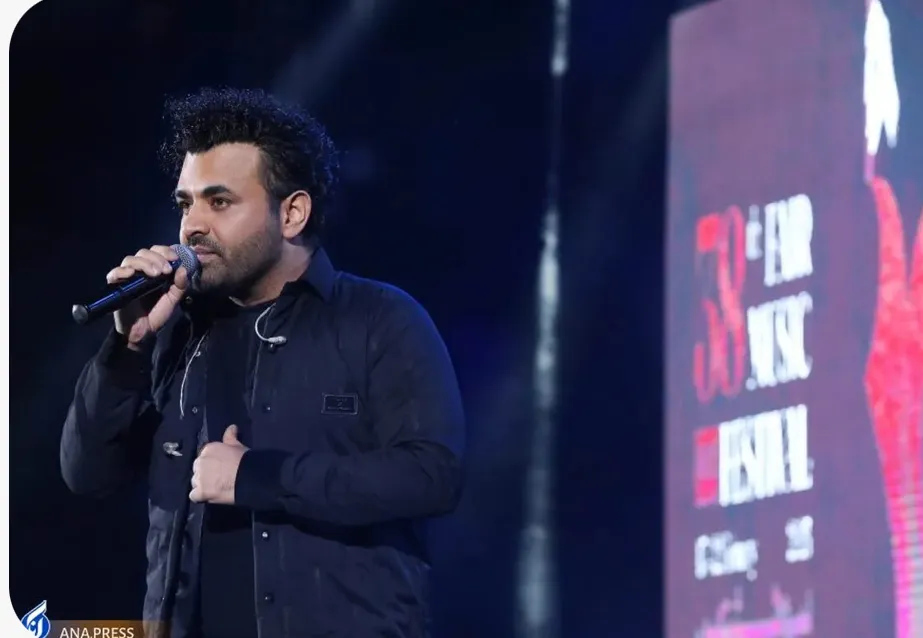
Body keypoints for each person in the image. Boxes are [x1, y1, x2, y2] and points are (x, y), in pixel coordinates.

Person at [60, 87, 466, 638]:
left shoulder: (379, 318)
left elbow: (431, 475)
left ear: (292, 213)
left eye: (219, 202)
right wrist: (126, 348)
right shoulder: (173, 330)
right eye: (185, 203)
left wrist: (259, 477)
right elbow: (86, 474)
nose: (192, 226)